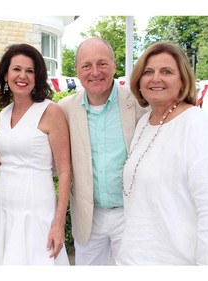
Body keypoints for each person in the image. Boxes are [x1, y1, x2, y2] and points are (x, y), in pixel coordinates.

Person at [116, 42, 208, 265]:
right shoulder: (144, 123)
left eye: (166, 71)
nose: (155, 78)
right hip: (131, 260)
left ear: (183, 80)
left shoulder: (197, 126)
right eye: (148, 71)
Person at [0, 43, 71, 265]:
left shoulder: (50, 111)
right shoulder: (3, 114)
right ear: (6, 74)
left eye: (30, 70)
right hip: (1, 207)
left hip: (35, 209)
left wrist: (59, 223)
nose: (22, 76)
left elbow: (65, 171)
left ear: (38, 77)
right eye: (16, 69)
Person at [58, 38, 148, 265]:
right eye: (86, 66)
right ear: (77, 70)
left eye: (102, 64)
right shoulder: (64, 109)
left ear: (114, 65)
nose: (95, 72)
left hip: (130, 213)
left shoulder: (139, 103)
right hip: (88, 216)